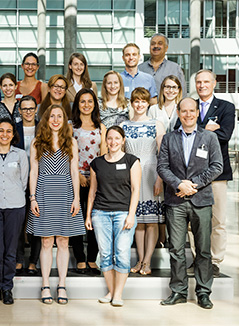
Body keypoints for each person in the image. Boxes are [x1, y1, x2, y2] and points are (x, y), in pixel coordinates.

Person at [157, 98, 223, 310]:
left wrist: (193, 184)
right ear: (178, 112)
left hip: (201, 200)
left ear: (196, 113)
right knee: (176, 249)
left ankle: (204, 292)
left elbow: (217, 166)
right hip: (175, 200)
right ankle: (178, 291)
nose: (187, 115)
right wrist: (179, 184)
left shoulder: (210, 137)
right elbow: (162, 167)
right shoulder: (168, 138)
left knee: (203, 250)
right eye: (183, 111)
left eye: (191, 111)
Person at [27, 104, 84, 305]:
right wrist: (32, 197)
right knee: (45, 242)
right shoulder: (37, 142)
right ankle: (44, 285)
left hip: (66, 193)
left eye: (60, 116)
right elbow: (33, 172)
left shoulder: (71, 142)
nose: (56, 120)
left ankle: (61, 285)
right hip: (43, 193)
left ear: (64, 119)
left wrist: (76, 198)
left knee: (62, 242)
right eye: (52, 116)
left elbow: (75, 172)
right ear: (46, 119)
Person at [85, 125, 141, 307]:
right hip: (100, 213)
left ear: (123, 140)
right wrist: (88, 216)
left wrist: (131, 214)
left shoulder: (132, 161)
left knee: (122, 254)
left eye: (117, 138)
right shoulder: (97, 163)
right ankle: (112, 292)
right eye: (110, 138)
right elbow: (92, 192)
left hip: (124, 213)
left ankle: (117, 294)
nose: (113, 142)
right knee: (106, 254)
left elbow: (135, 190)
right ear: (105, 140)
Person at [193, 69, 235, 278]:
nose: (202, 85)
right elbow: (181, 132)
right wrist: (208, 129)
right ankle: (197, 257)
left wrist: (198, 130)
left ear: (214, 83)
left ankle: (215, 260)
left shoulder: (227, 107)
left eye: (206, 82)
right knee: (195, 221)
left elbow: (225, 135)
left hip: (218, 174)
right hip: (193, 174)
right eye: (199, 82)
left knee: (217, 220)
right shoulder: (190, 106)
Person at [0, 118, 29, 305]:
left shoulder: (19, 155)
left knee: (10, 250)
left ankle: (7, 288)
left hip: (15, 206)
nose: (4, 134)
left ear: (13, 134)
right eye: (1, 131)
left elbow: (24, 182)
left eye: (8, 131)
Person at [121, 87, 165, 276]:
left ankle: (148, 261)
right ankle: (139, 259)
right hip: (131, 173)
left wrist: (160, 178)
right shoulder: (124, 125)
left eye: (143, 101)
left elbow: (163, 154)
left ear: (148, 103)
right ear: (131, 103)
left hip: (151, 172)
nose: (139, 104)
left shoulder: (157, 124)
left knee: (152, 222)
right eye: (136, 101)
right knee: (138, 221)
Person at [69, 88, 106, 275]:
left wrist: (95, 176)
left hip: (96, 179)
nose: (86, 105)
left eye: (90, 101)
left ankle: (92, 258)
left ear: (94, 104)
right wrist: (79, 174)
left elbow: (104, 155)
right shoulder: (70, 126)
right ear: (77, 104)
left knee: (94, 218)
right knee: (76, 217)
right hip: (75, 178)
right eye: (82, 101)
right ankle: (80, 258)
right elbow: (67, 154)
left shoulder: (101, 127)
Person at [15, 96, 40, 276]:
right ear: (19, 111)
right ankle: (18, 258)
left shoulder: (44, 129)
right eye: (25, 109)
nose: (28, 112)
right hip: (17, 181)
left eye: (31, 108)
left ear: (36, 109)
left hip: (39, 182)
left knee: (37, 222)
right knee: (18, 224)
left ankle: (33, 261)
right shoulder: (13, 129)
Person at [0, 73, 23, 148]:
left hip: (21, 149)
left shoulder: (22, 106)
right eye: (5, 85)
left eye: (11, 85)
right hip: (0, 150)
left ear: (16, 86)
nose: (8, 88)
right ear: (1, 87)